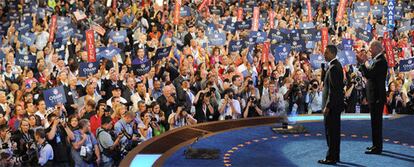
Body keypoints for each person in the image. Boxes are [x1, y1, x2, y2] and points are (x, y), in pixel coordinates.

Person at [356, 41, 388, 154]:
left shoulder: (380, 61)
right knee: (375, 123)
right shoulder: (378, 60)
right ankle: (375, 145)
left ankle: (377, 147)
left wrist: (364, 62)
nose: (370, 51)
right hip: (374, 96)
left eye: (371, 49)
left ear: (376, 48)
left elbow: (369, 74)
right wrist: (362, 63)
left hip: (377, 97)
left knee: (376, 123)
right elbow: (368, 73)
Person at [318, 45, 344, 165]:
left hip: (332, 107)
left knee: (331, 132)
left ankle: (331, 157)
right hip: (335, 106)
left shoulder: (334, 68)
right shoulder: (335, 66)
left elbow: (333, 90)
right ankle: (335, 155)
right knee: (334, 132)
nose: (324, 55)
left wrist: (327, 106)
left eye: (326, 53)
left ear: (332, 53)